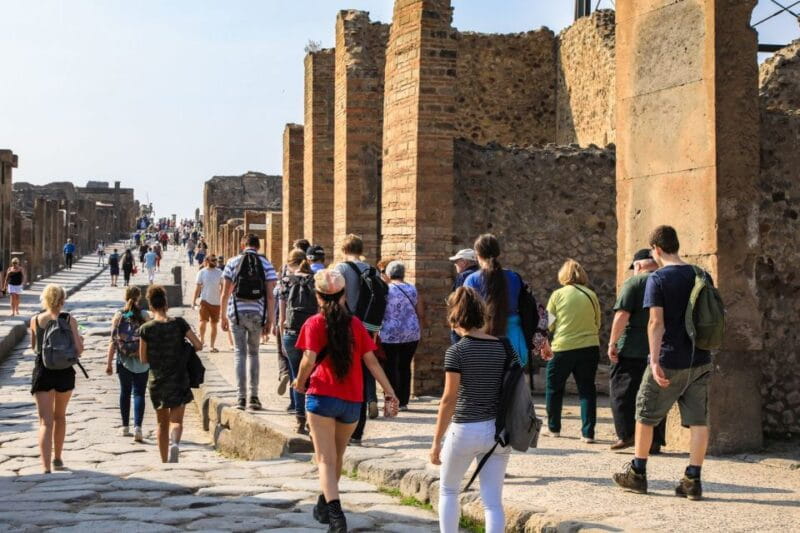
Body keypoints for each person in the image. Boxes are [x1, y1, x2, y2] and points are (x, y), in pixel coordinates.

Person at [292, 269, 397, 533]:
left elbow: (308, 359)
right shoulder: (356, 325)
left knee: (325, 459)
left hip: (322, 396)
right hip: (352, 400)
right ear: (343, 296)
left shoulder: (314, 323)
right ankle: (324, 504)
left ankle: (337, 517)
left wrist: (300, 382)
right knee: (337, 457)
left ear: (318, 296)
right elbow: (371, 361)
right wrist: (389, 391)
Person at [613, 226, 713, 500]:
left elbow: (656, 323)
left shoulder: (658, 279)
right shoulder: (701, 274)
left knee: (644, 413)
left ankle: (638, 473)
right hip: (701, 358)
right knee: (698, 421)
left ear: (655, 249)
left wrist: (654, 360)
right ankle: (693, 479)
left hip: (669, 358)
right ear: (676, 245)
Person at [431, 287, 514, 533]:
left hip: (465, 428)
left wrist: (436, 441)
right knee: (492, 503)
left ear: (455, 318)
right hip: (499, 431)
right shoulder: (505, 348)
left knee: (448, 490)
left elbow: (449, 398)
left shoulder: (456, 352)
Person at [608, 249, 666, 452]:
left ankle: (627, 434)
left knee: (622, 393)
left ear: (638, 265)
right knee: (655, 395)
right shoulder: (665, 281)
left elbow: (622, 314)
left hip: (632, 347)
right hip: (660, 347)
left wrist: (612, 343)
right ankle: (655, 440)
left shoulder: (635, 282)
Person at [139, 285, 202, 463]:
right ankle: (175, 443)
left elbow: (143, 359)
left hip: (157, 380)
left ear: (151, 305)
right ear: (166, 304)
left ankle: (164, 461)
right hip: (179, 378)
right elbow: (198, 345)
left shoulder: (146, 329)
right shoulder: (179, 323)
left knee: (161, 423)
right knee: (176, 421)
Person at [543, 258, 601, 443]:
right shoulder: (591, 295)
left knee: (554, 388)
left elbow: (547, 324)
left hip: (563, 348)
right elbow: (597, 322)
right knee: (587, 389)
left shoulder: (557, 295)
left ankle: (554, 428)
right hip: (589, 347)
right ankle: (588, 433)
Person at [30, 284, 84, 473]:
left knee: (45, 421)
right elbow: (78, 350)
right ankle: (58, 459)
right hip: (64, 372)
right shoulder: (69, 320)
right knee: (60, 416)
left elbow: (34, 348)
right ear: (62, 300)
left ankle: (45, 467)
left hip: (43, 371)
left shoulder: (35, 320)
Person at [220, 234, 277, 411]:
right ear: (258, 246)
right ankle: (254, 397)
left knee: (239, 354)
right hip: (257, 314)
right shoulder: (266, 264)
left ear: (242, 245)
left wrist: (222, 315)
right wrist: (270, 319)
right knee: (253, 354)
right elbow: (270, 295)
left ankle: (241, 398)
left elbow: (225, 292)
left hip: (236, 313)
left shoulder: (233, 262)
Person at [333, 234, 380, 443]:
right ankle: (360, 427)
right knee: (366, 368)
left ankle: (345, 425)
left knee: (345, 373)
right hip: (367, 326)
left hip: (347, 325)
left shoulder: (341, 269)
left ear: (344, 249)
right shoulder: (372, 269)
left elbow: (336, 298)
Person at [464, 235, 529, 365]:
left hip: (482, 345)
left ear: (477, 254)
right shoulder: (514, 277)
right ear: (498, 253)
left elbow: (466, 315)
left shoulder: (471, 280)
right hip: (515, 343)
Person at [278, 249, 317, 434]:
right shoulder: (317, 279)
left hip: (291, 332)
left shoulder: (286, 280)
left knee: (296, 376)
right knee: (312, 376)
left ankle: (300, 420)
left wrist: (280, 333)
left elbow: (282, 313)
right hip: (312, 333)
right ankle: (313, 418)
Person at [106, 286, 150, 442]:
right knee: (139, 393)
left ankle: (125, 427)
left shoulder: (119, 315)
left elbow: (113, 341)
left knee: (125, 392)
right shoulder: (145, 315)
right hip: (142, 359)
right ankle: (138, 427)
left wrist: (109, 363)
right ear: (140, 298)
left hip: (123, 360)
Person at [380, 260, 425, 411]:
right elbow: (420, 312)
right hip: (411, 334)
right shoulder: (412, 289)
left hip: (389, 333)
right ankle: (404, 401)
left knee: (390, 367)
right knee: (405, 366)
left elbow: (380, 312)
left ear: (389, 274)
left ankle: (391, 402)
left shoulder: (385, 289)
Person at [193, 255, 223, 353]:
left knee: (214, 325)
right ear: (207, 261)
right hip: (204, 300)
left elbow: (223, 287)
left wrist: (222, 300)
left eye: (215, 260)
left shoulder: (220, 273)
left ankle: (212, 346)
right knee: (203, 321)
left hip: (216, 302)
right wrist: (193, 301)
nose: (214, 262)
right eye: (213, 260)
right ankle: (201, 340)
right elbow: (197, 288)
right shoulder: (202, 272)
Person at [448, 249, 479, 344]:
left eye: (457, 261)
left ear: (464, 262)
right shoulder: (481, 274)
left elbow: (458, 300)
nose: (455, 264)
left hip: (464, 321)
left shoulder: (463, 276)